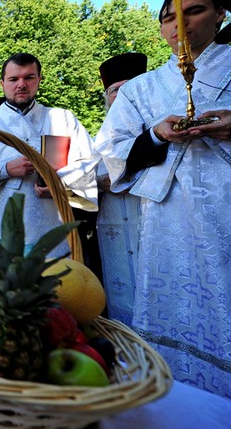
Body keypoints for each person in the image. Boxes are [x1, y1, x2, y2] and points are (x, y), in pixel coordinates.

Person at [95, 0, 231, 398]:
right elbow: (109, 152)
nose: (180, 25)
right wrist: (154, 135)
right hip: (169, 219)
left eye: (193, 11)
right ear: (160, 30)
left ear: (220, 15)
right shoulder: (140, 90)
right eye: (170, 17)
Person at [0, 52, 98, 257]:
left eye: (29, 77)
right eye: (13, 79)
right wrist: (5, 169)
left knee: (57, 285)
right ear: (2, 83)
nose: (21, 84)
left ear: (39, 80)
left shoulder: (64, 120)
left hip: (52, 231)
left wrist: (58, 183)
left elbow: (88, 164)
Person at [94, 52, 147, 326]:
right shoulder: (97, 139)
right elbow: (82, 178)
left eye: (130, 87)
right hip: (112, 227)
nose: (122, 95)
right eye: (115, 90)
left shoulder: (162, 127)